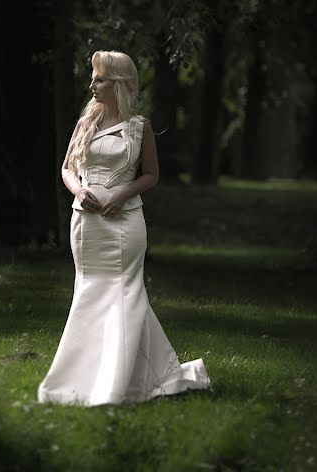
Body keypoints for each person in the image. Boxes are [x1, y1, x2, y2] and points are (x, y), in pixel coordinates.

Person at [37, 50, 212, 406]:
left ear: (117, 84)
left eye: (99, 79)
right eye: (93, 77)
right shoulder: (86, 122)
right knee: (89, 291)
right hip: (85, 225)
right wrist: (79, 189)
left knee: (125, 292)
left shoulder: (139, 126)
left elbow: (151, 175)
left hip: (124, 224)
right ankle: (85, 375)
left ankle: (117, 382)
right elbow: (67, 168)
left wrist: (121, 194)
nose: (92, 85)